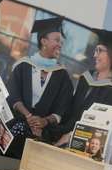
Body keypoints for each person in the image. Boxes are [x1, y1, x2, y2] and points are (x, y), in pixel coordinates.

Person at [7, 16, 73, 152]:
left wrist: (44, 121)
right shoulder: (22, 66)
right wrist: (29, 117)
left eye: (61, 42)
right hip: (16, 130)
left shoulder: (62, 75)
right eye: (56, 40)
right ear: (44, 41)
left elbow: (62, 109)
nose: (60, 45)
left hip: (43, 136)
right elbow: (13, 96)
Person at [55, 28, 112, 147]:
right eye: (95, 50)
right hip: (62, 134)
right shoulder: (85, 79)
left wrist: (70, 137)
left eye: (99, 50)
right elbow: (70, 111)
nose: (94, 55)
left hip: (81, 145)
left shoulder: (111, 93)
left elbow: (100, 131)